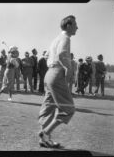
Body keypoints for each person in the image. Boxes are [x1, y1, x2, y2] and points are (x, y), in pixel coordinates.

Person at [38, 15, 77, 148]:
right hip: (57, 75)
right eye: (75, 25)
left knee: (48, 107)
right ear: (69, 25)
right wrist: (68, 68)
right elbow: (61, 54)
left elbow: (49, 56)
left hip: (49, 74)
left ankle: (45, 139)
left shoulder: (56, 39)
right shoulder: (65, 38)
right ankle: (45, 133)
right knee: (69, 109)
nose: (77, 27)